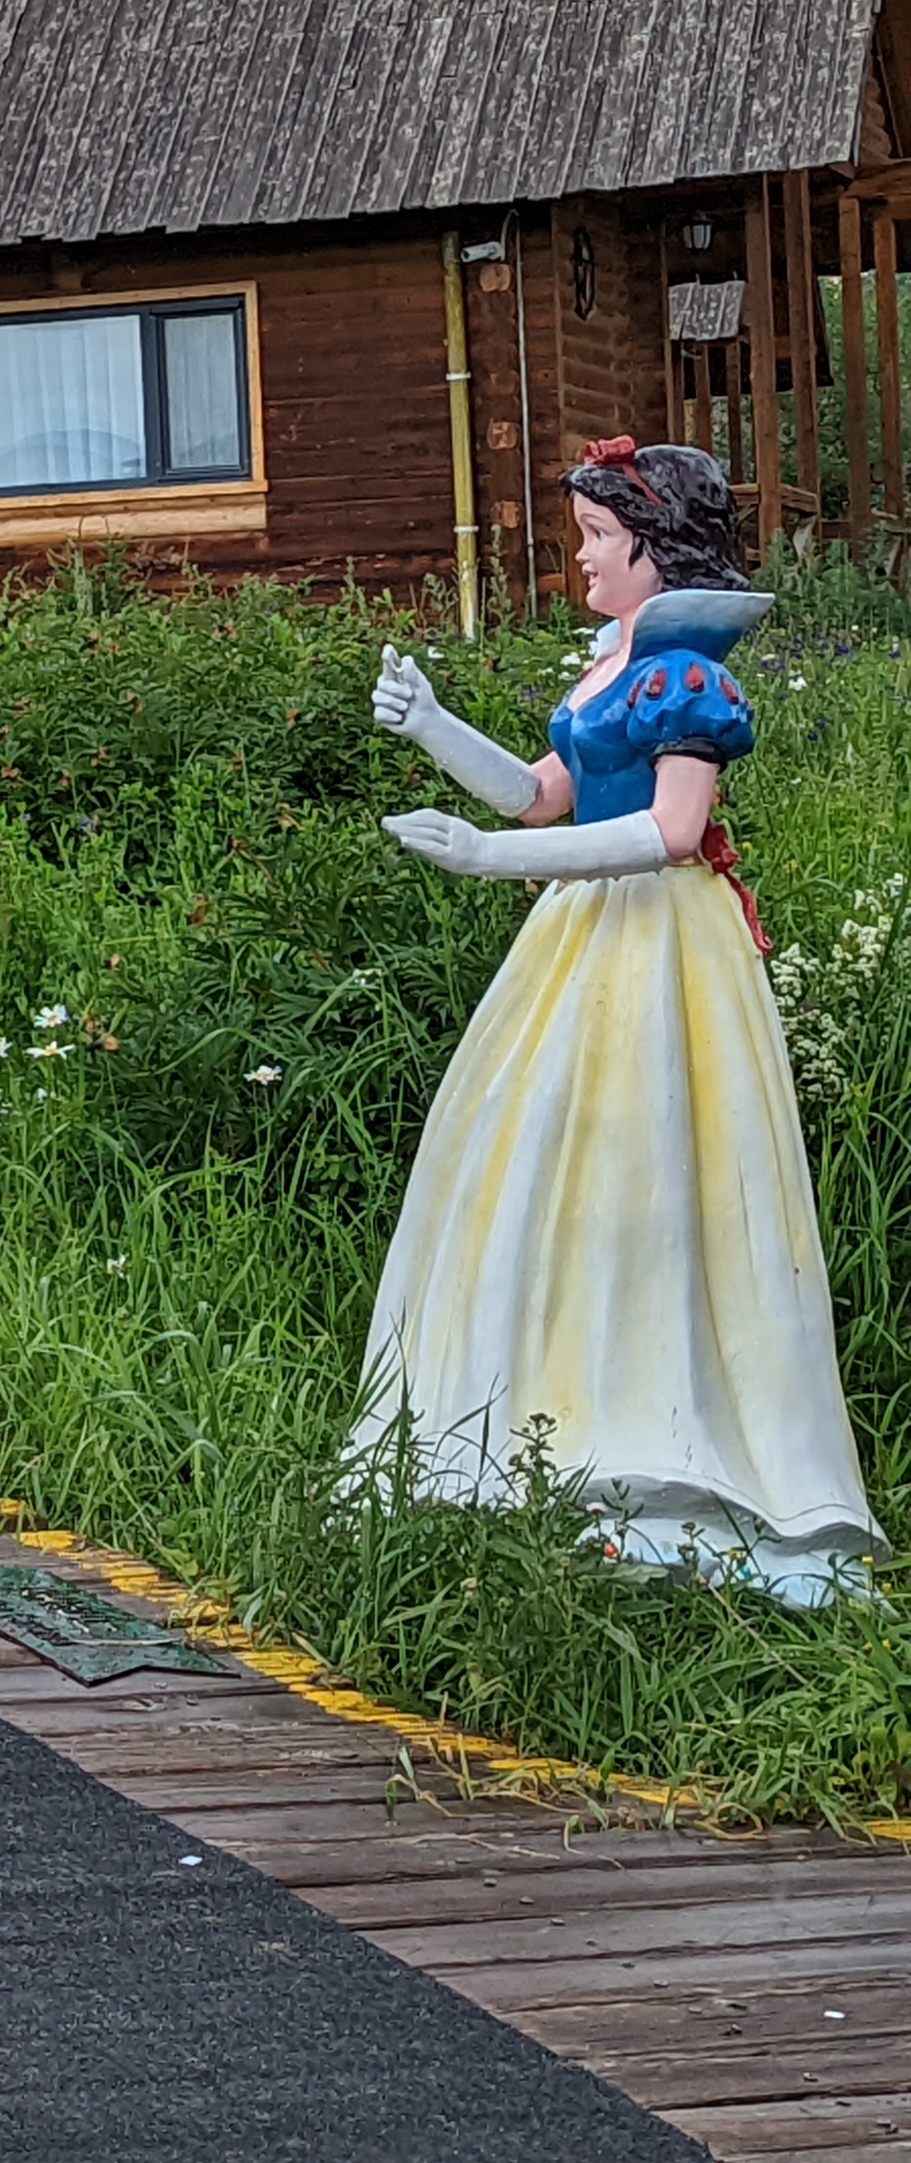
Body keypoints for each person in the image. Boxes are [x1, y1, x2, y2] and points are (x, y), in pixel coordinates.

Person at [367, 437, 882, 1602]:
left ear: (659, 548)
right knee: (543, 1158)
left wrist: (492, 860)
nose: (585, 560)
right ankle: (537, 1413)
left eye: (600, 538)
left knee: (656, 1160)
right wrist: (433, 726)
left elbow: (671, 831)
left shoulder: (688, 677)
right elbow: (539, 794)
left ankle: (662, 1429)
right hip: (580, 938)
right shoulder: (612, 668)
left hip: (662, 944)